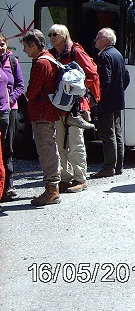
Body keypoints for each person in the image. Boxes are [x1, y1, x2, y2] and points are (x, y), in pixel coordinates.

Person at [48, 24, 100, 194]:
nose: (52, 37)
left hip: (76, 107)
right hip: (59, 106)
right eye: (50, 34)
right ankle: (65, 178)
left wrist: (76, 89)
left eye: (55, 34)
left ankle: (80, 178)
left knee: (75, 143)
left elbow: (92, 74)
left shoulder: (75, 51)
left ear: (64, 35)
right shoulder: (52, 54)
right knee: (58, 144)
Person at [21, 30, 62, 205]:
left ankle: (51, 191)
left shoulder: (40, 63)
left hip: (41, 113)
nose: (24, 51)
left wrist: (27, 94)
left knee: (46, 151)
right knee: (50, 148)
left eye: (25, 47)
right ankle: (53, 188)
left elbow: (32, 91)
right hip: (48, 112)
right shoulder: (50, 58)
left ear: (33, 45)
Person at [90, 28, 130, 178]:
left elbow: (104, 81)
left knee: (107, 134)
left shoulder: (104, 56)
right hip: (117, 100)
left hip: (106, 102)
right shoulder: (118, 54)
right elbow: (126, 77)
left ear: (106, 40)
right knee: (117, 133)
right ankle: (118, 166)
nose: (95, 40)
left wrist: (98, 96)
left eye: (98, 38)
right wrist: (118, 90)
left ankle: (108, 168)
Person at [0, 33, 25, 201]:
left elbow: (20, 85)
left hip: (10, 109)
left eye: (2, 44)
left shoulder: (13, 61)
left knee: (7, 148)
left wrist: (11, 100)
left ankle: (9, 185)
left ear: (6, 44)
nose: (0, 47)